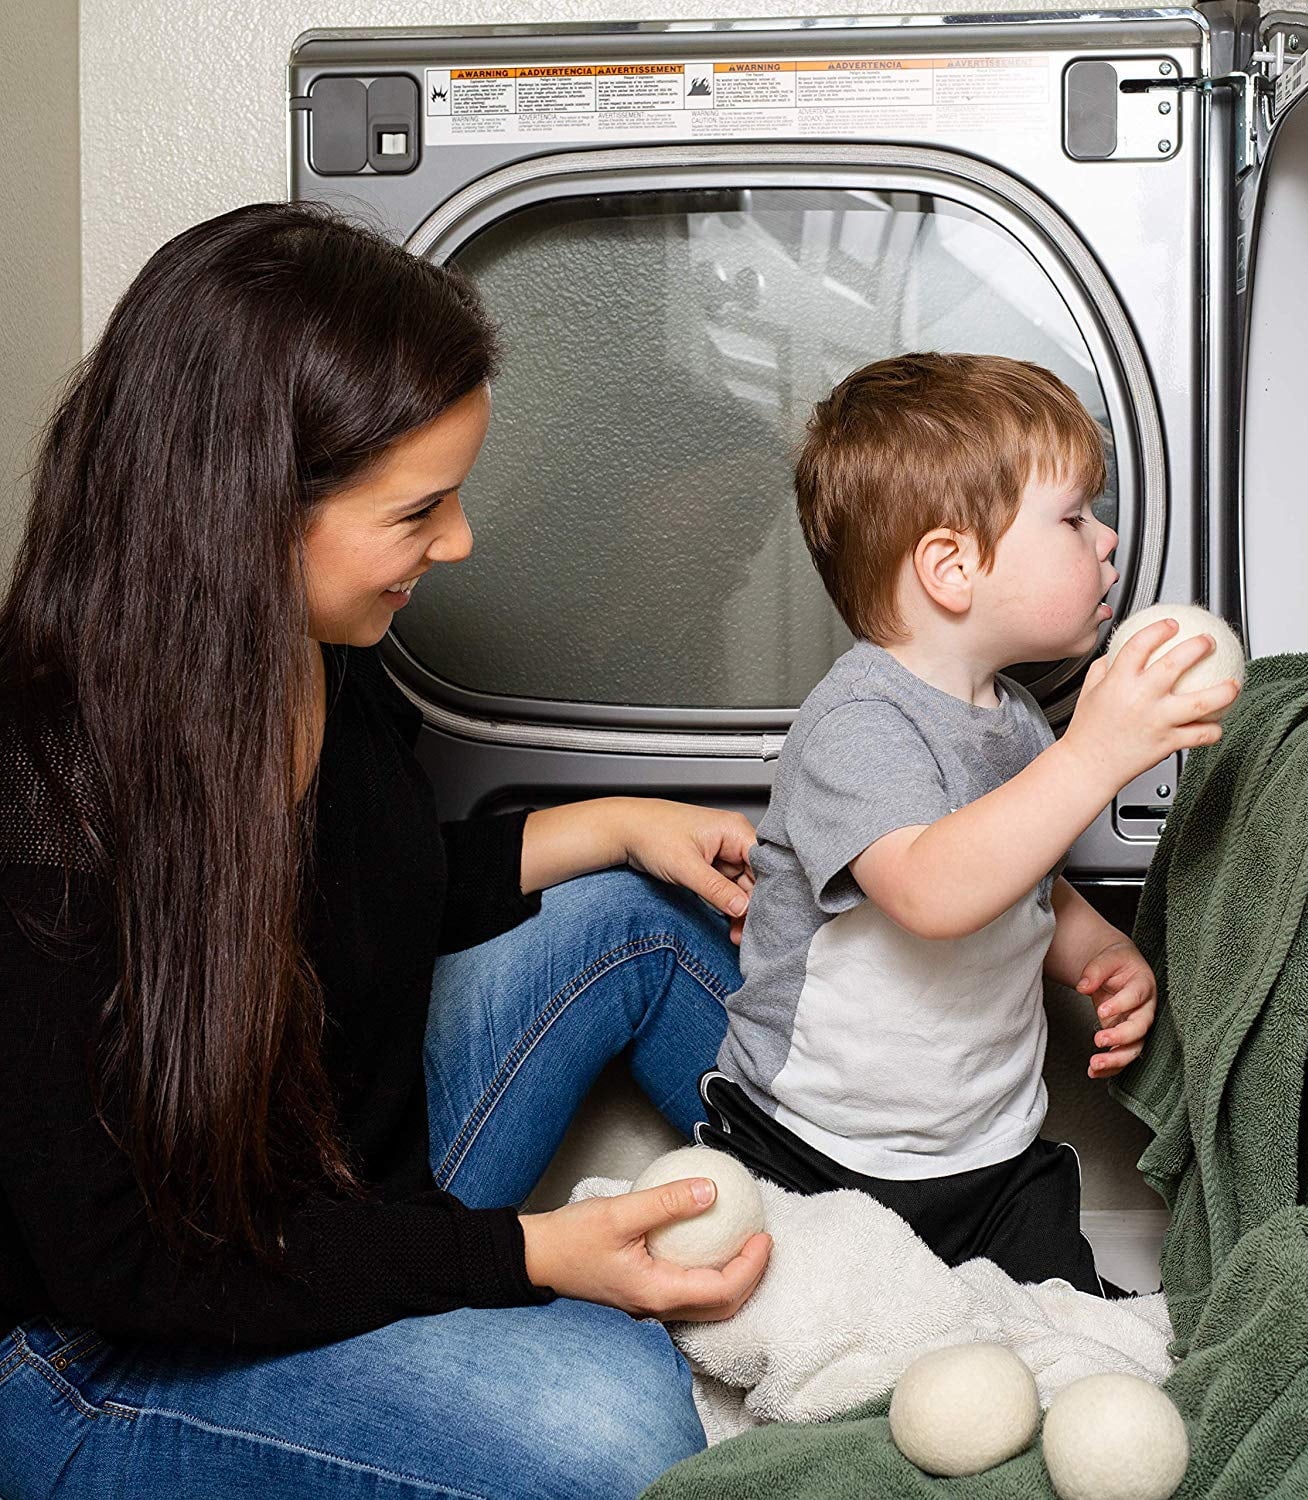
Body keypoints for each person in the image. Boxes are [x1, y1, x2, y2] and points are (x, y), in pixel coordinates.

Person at [0, 201, 772, 1499]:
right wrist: (523, 1259)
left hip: (322, 1183)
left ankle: (908, 1241)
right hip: (108, 1339)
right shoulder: (40, 788)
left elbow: (365, 899)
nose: (459, 543)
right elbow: (113, 1260)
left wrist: (612, 827)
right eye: (419, 511)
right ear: (246, 513)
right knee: (615, 1428)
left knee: (639, 905)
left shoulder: (315, 655)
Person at [696, 352, 1240, 1293]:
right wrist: (1095, 755)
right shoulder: (858, 726)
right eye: (1074, 519)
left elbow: (1024, 877)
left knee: (1078, 1326)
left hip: (989, 1154)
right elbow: (934, 890)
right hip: (815, 1151)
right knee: (799, 1315)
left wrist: (1098, 952)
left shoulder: (1017, 719)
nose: (1106, 542)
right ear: (951, 567)